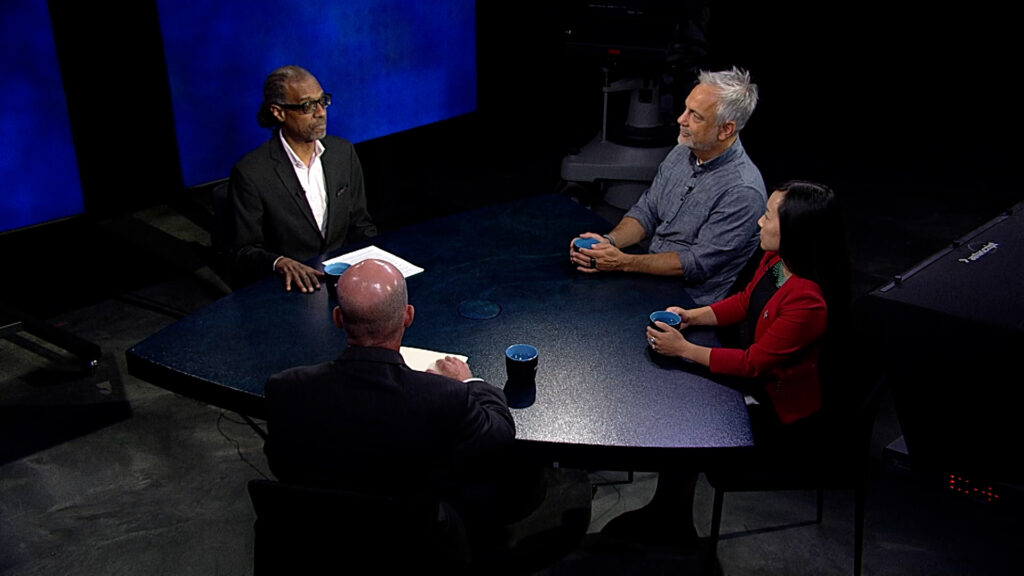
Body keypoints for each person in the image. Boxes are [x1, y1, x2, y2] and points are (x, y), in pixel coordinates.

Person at [602, 180, 852, 548]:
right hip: (755, 384)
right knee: (680, 395)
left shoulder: (808, 300)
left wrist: (683, 349)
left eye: (768, 217)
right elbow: (745, 301)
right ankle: (668, 510)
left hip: (777, 414)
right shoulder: (781, 262)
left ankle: (670, 522)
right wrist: (693, 317)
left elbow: (754, 365)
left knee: (687, 413)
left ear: (795, 231)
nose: (759, 223)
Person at [263, 259, 519, 564]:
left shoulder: (285, 389)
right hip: (417, 546)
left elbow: (281, 465)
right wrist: (469, 382)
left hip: (313, 542)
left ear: (337, 318)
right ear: (408, 317)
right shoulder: (444, 397)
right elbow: (500, 432)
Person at [569, 66, 766, 306]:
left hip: (686, 302)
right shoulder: (682, 151)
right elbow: (648, 211)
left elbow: (696, 264)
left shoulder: (743, 192)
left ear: (726, 129)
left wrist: (622, 262)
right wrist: (608, 244)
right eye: (686, 109)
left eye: (696, 116)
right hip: (645, 276)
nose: (681, 120)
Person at [227, 65, 377, 292]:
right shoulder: (251, 173)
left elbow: (361, 224)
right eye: (308, 106)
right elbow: (242, 251)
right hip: (289, 291)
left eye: (323, 101)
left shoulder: (342, 153)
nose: (321, 112)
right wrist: (278, 263)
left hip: (346, 282)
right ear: (278, 112)